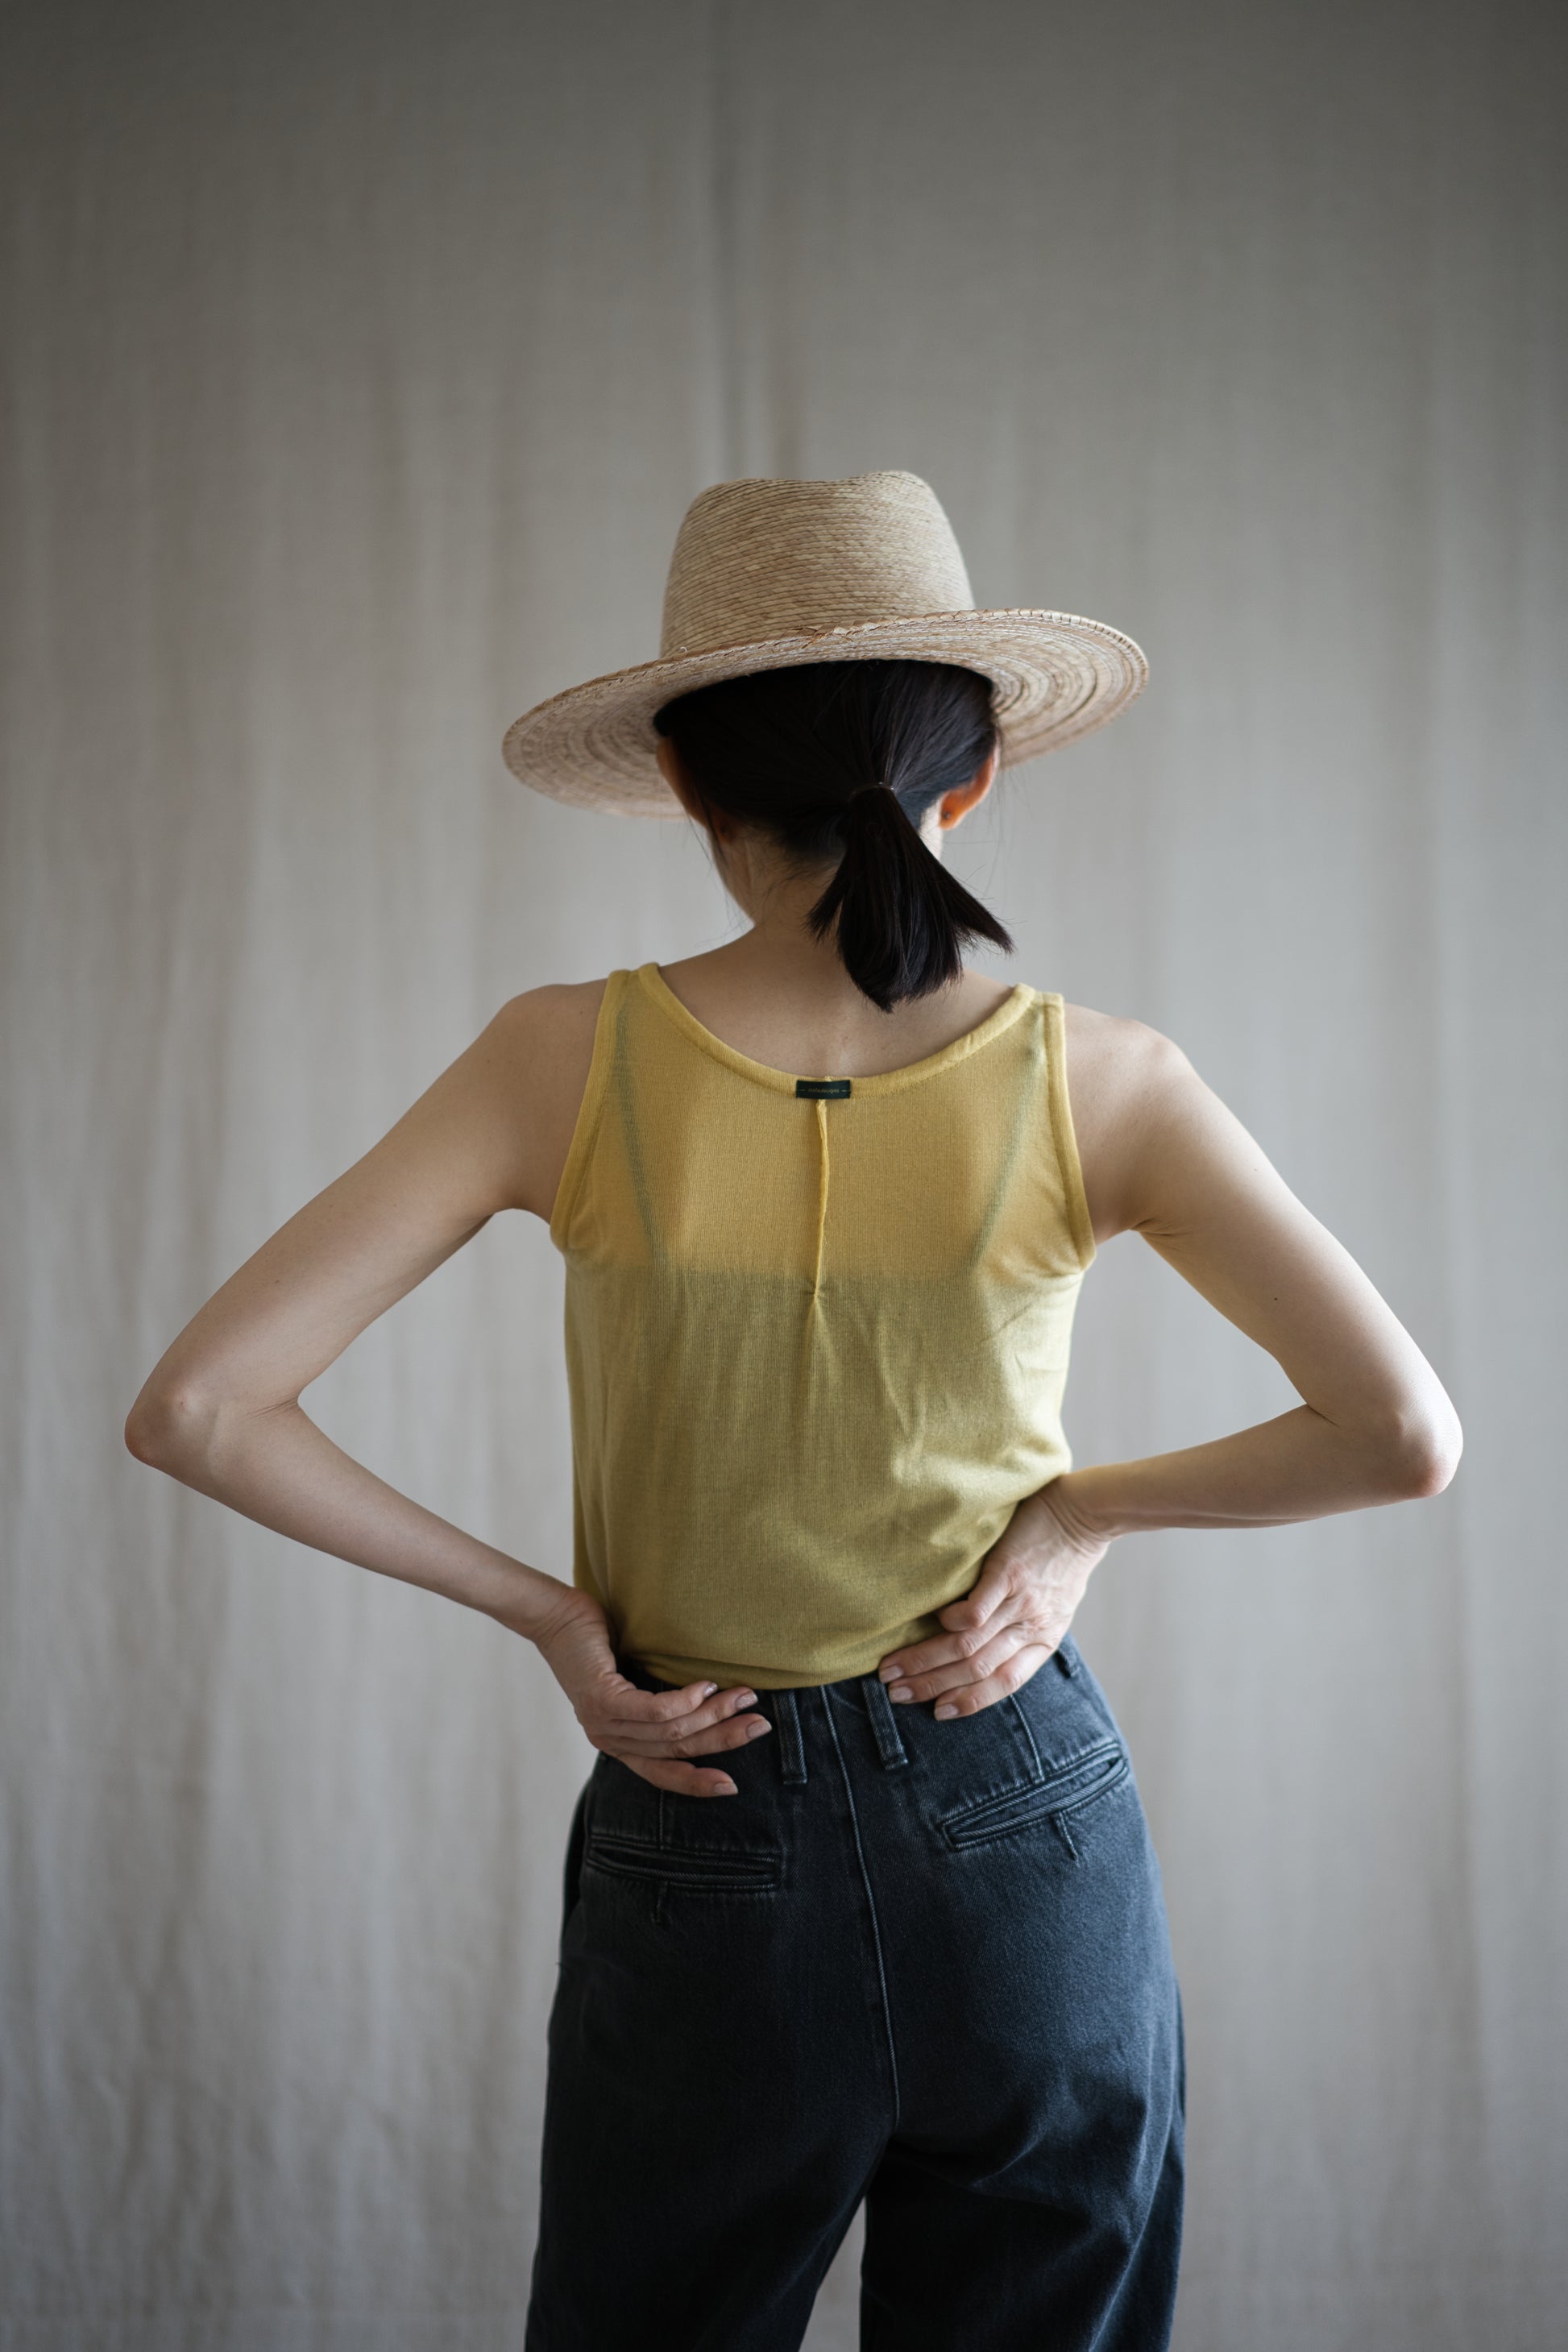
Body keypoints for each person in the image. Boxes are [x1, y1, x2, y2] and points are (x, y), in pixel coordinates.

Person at [126, 471, 1462, 2352]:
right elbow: (1399, 1432)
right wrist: (1077, 1514)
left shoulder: (559, 1056)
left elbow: (200, 1405)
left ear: (687, 783)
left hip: (705, 1801)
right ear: (972, 778)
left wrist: (549, 1614)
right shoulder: (1107, 1079)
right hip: (1017, 1807)